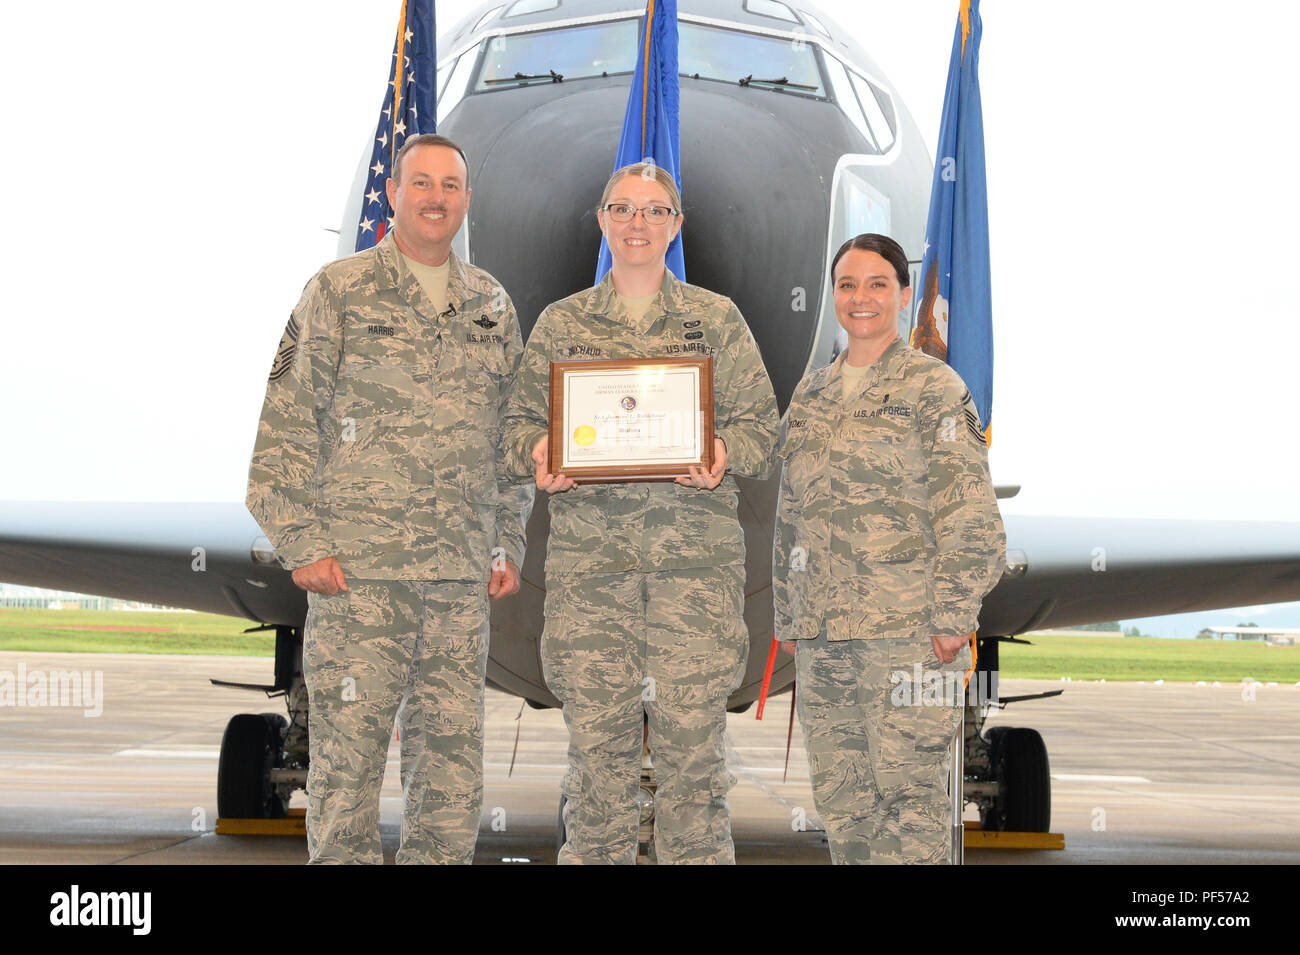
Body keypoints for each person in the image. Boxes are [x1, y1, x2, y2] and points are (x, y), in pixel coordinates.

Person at [245, 133, 533, 864]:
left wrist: (509, 541)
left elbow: (513, 444)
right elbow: (282, 432)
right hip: (359, 580)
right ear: (394, 193)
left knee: (450, 773)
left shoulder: (492, 306)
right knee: (346, 772)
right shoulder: (336, 291)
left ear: (466, 201)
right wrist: (302, 543)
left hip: (457, 583)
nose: (436, 197)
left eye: (451, 186)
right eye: (422, 183)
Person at [503, 162, 779, 864]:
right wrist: (541, 447)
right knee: (596, 781)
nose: (637, 223)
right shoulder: (561, 324)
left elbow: (764, 433)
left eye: (654, 211)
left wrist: (720, 448)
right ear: (602, 220)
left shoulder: (715, 321)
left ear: (675, 226)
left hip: (695, 588)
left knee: (696, 782)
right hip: (592, 590)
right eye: (622, 208)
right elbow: (511, 431)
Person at [772, 233, 1006, 864]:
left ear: (904, 295)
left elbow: (971, 514)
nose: (861, 298)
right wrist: (790, 617)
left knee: (913, 803)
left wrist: (953, 615)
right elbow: (790, 517)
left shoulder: (935, 390)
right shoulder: (811, 396)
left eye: (877, 284)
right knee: (845, 807)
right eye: (847, 284)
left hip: (909, 637)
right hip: (825, 638)